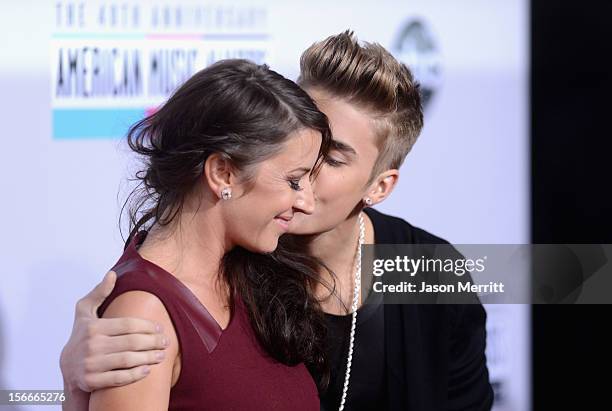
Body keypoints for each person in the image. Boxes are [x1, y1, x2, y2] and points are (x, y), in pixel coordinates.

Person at [61, 31, 493, 411]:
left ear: (379, 186)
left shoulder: (432, 272)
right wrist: (78, 377)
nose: (305, 175)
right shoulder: (221, 258)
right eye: (299, 149)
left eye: (332, 159)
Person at [81, 58, 333, 410]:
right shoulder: (144, 314)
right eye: (294, 180)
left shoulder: (254, 276)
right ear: (223, 174)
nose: (306, 202)